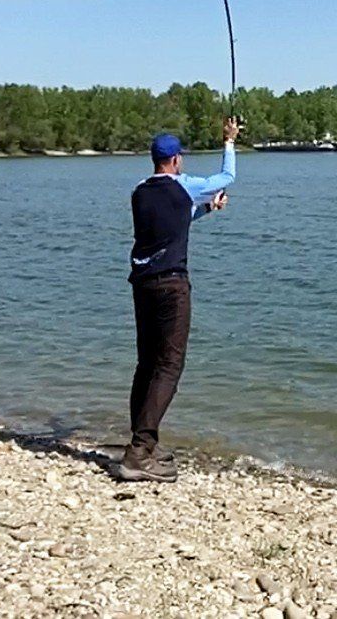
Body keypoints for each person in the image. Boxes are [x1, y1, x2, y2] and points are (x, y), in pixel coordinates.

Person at [118, 116, 240, 482]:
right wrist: (229, 141)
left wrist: (206, 209)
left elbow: (173, 220)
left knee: (146, 364)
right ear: (176, 160)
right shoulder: (183, 185)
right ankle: (139, 451)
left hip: (142, 284)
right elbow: (227, 178)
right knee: (169, 365)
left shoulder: (140, 191)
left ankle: (144, 443)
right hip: (172, 285)